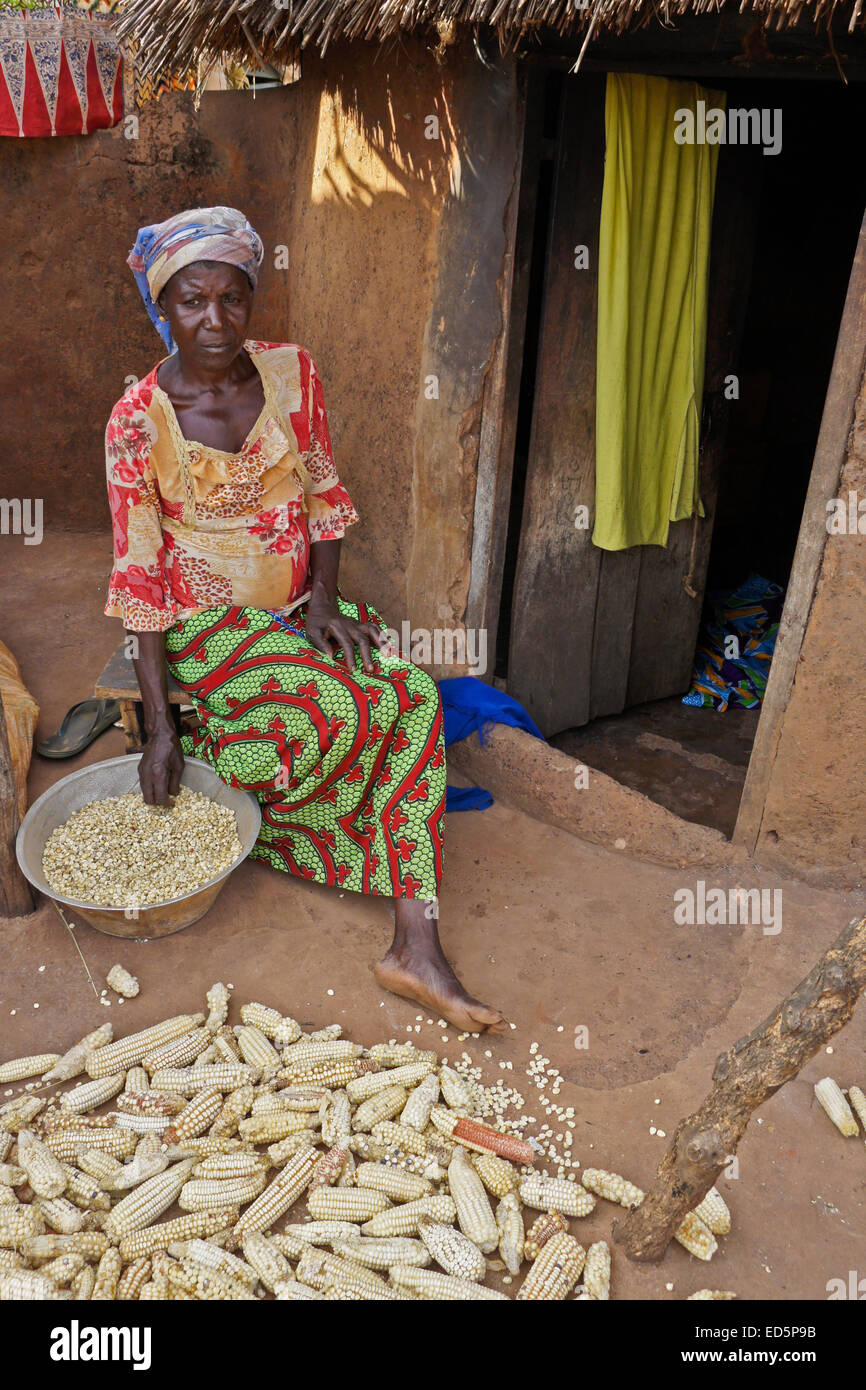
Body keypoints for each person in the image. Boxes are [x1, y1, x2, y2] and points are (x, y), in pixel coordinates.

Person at [105, 205, 505, 1034]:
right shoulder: (137, 419)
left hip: (295, 606)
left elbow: (324, 496)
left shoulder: (291, 374)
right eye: (191, 301)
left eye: (231, 298)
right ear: (163, 307)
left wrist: (322, 604)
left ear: (251, 300)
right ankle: (227, 768)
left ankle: (414, 943)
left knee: (412, 698)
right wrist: (157, 728)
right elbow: (140, 577)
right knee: (334, 708)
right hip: (203, 623)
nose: (214, 320)